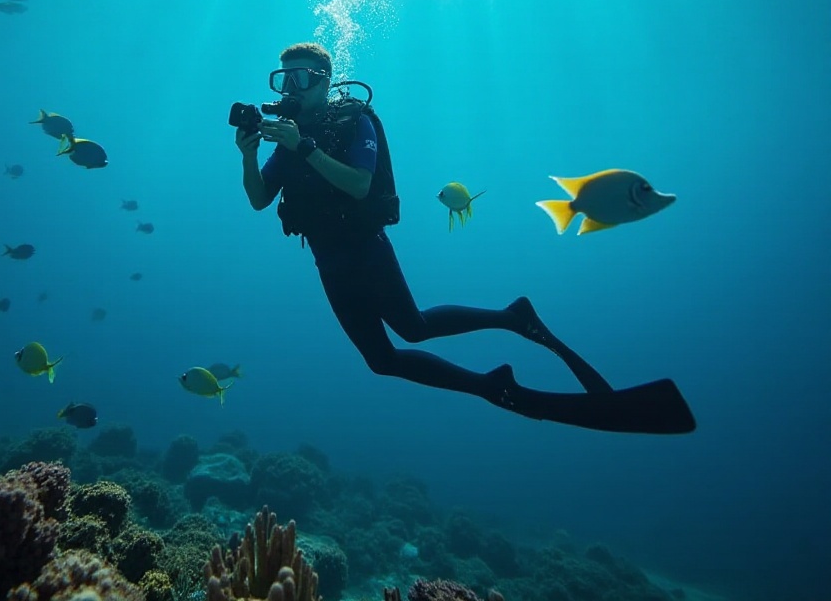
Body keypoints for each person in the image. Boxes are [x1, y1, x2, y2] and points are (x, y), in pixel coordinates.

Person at [235, 41, 695, 434]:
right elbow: (259, 200)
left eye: (302, 79)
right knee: (381, 360)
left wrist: (305, 146)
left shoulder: (355, 123)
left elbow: (359, 184)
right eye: (284, 80)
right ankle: (491, 386)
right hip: (327, 260)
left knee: (412, 328)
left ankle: (512, 318)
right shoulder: (288, 139)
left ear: (326, 82)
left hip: (363, 248)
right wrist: (248, 156)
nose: (291, 90)